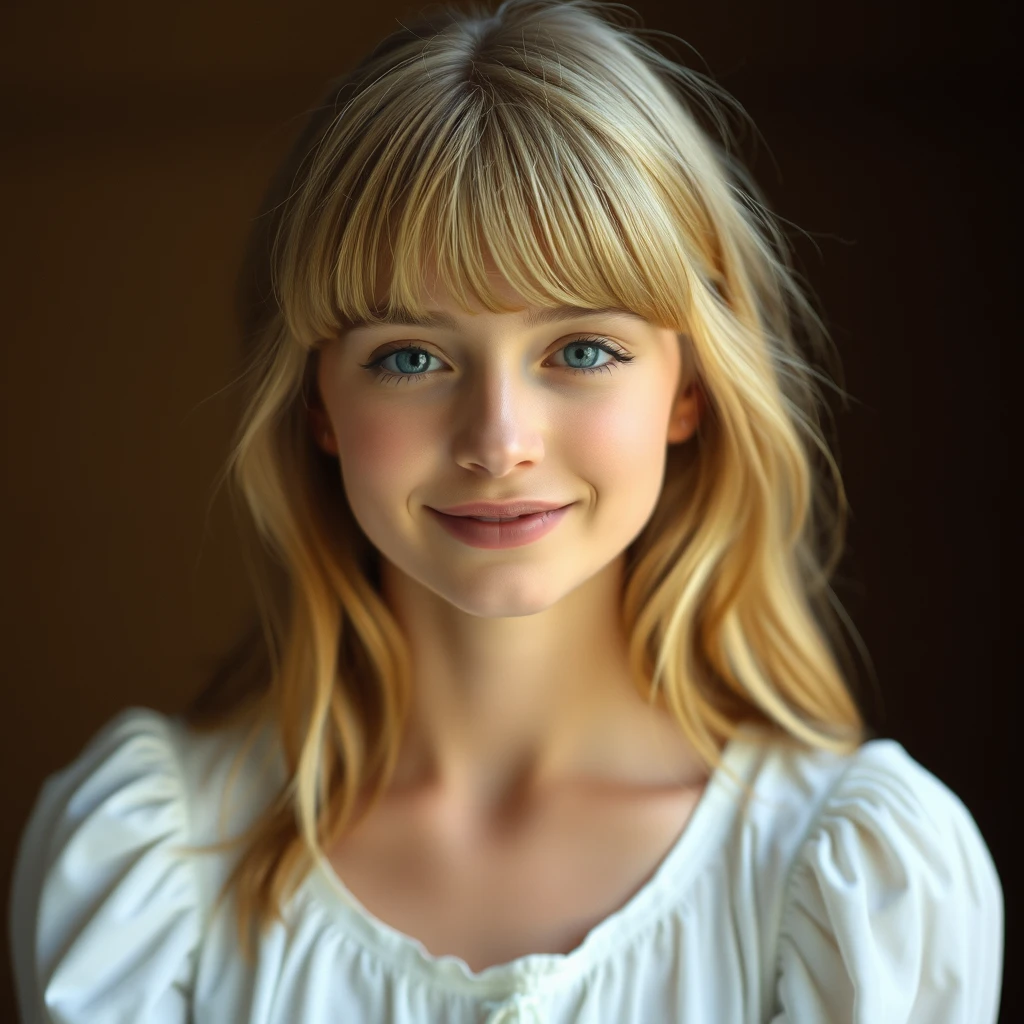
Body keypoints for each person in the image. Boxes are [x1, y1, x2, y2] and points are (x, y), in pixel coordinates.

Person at [8, 1, 1004, 1021]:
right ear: (318, 403)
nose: (497, 439)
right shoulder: (150, 868)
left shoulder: (851, 884)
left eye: (580, 350)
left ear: (689, 388)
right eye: (410, 356)